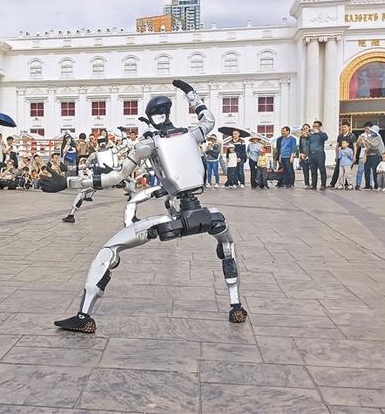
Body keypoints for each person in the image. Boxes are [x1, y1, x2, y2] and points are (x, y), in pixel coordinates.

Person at [54, 79, 247, 333]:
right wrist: (190, 94)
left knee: (109, 250)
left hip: (173, 222)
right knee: (227, 246)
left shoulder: (149, 144)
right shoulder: (191, 134)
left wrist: (68, 181)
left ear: (151, 118)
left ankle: (84, 317)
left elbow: (116, 177)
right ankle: (236, 306)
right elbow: (208, 119)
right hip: (206, 214)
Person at [330, 121, 357, 188]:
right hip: (341, 156)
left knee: (348, 171)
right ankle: (333, 183)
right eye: (342, 127)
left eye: (345, 127)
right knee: (337, 170)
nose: (343, 128)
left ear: (349, 127)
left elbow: (355, 146)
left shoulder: (352, 136)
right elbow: (337, 146)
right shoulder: (340, 136)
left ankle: (348, 184)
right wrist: (336, 156)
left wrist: (354, 156)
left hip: (348, 157)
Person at [360, 124, 385, 189]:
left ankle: (376, 185)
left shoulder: (378, 137)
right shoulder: (369, 137)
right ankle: (367, 185)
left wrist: (367, 141)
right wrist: (362, 142)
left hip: (375, 155)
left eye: (372, 131)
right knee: (366, 170)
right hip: (368, 155)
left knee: (375, 171)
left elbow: (374, 145)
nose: (371, 132)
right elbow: (365, 146)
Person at [306, 121, 328, 190]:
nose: (314, 127)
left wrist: (318, 132)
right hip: (311, 154)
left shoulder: (322, 134)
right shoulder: (311, 135)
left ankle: (323, 185)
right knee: (313, 170)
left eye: (316, 126)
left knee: (322, 170)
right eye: (313, 126)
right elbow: (308, 144)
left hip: (319, 154)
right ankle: (313, 185)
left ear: (320, 127)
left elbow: (325, 138)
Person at [299, 124, 311, 188]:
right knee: (305, 171)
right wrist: (301, 153)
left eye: (306, 128)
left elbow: (312, 145)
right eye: (304, 128)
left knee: (313, 171)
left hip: (311, 156)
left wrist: (308, 136)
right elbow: (300, 147)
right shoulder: (301, 137)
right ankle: (307, 184)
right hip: (303, 156)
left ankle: (313, 184)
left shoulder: (312, 136)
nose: (305, 129)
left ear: (309, 129)